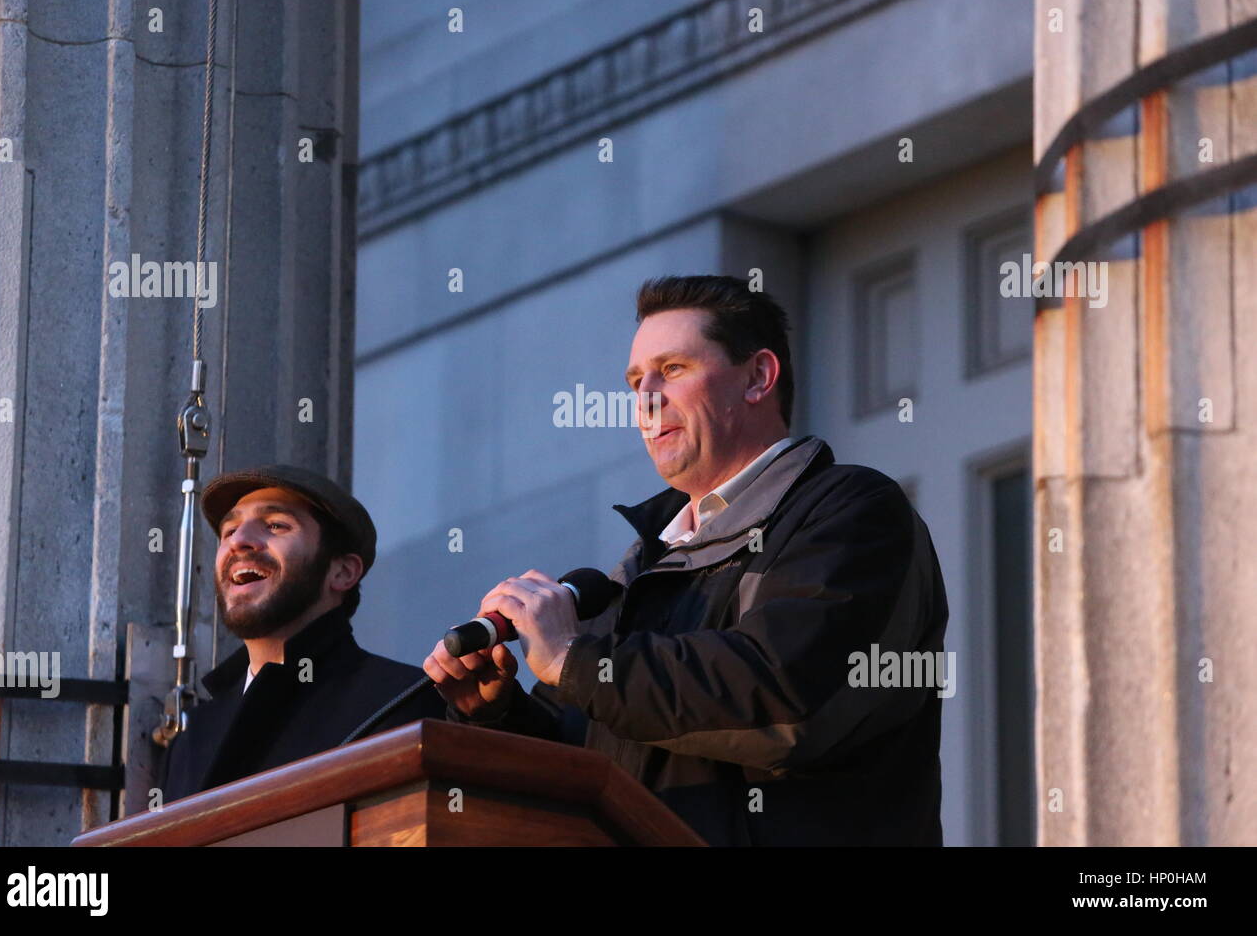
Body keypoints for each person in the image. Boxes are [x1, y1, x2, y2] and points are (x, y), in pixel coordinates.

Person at [424, 275, 950, 845]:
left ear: (758, 377)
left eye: (672, 370)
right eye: (634, 381)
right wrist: (497, 715)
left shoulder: (851, 511)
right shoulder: (637, 575)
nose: (646, 398)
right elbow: (587, 770)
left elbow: (790, 696)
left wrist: (576, 661)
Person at [161, 464, 444, 802]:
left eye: (275, 525)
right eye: (229, 530)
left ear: (342, 572)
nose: (239, 541)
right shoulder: (192, 736)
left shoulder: (402, 701)